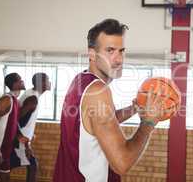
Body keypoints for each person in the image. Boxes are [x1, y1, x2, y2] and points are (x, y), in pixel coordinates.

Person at [53, 19, 168, 182]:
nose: (118, 59)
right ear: (92, 54)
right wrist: (148, 123)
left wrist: (133, 109)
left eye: (121, 51)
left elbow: (97, 124)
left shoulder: (81, 81)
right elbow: (122, 163)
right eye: (110, 50)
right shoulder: (98, 92)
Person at [10, 73, 51, 182]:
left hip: (19, 138)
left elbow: (24, 119)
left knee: (11, 165)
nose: (49, 82)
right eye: (47, 80)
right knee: (32, 165)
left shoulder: (32, 95)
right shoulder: (33, 99)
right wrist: (22, 138)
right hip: (18, 140)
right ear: (41, 83)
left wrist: (30, 133)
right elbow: (17, 120)